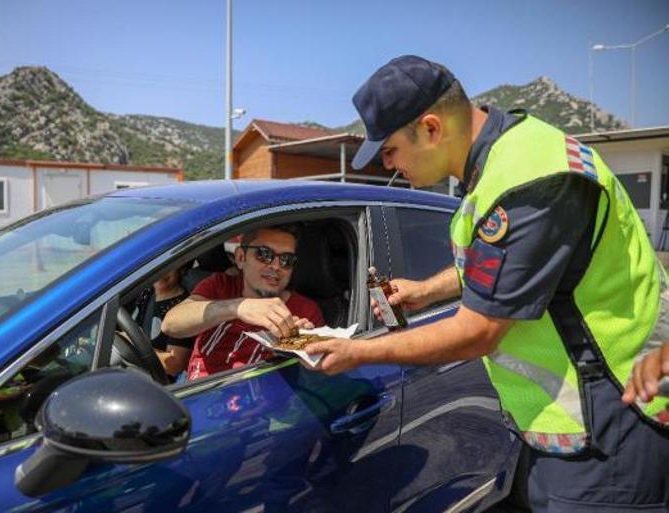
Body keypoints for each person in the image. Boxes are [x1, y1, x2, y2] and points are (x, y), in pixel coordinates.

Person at [304, 55, 669, 511]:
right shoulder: (500, 164)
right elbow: (498, 268)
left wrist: (357, 352)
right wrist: (424, 292)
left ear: (432, 128)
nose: (389, 165)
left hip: (611, 426)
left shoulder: (532, 182)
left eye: (390, 149)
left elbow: (479, 330)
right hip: (563, 428)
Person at [162, 224, 324, 380]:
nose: (276, 266)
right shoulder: (220, 285)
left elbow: (314, 380)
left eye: (286, 260)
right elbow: (170, 324)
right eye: (264, 254)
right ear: (240, 257)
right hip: (195, 393)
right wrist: (238, 307)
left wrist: (297, 345)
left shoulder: (305, 311)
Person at [134, 264, 195, 378]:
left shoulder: (183, 308)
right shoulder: (144, 293)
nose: (161, 272)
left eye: (168, 267)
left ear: (181, 270)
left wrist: (133, 344)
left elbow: (174, 365)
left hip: (156, 382)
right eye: (158, 266)